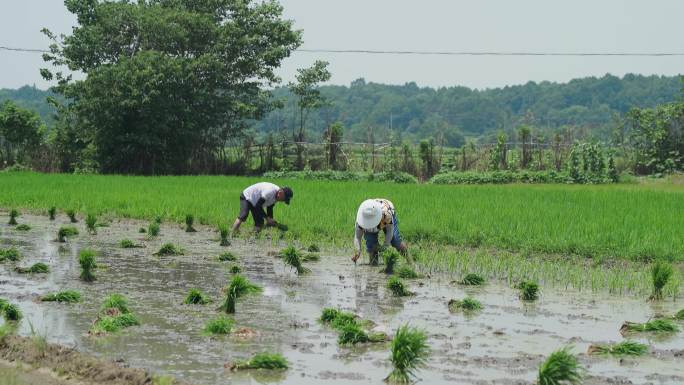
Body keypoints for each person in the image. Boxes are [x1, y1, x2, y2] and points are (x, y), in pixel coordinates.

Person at [352, 198, 408, 265]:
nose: (371, 224)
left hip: (385, 217)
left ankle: (410, 260)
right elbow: (357, 237)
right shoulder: (361, 219)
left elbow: (390, 232)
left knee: (395, 240)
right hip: (373, 214)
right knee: (371, 243)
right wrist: (357, 252)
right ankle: (373, 266)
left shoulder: (386, 214)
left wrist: (385, 246)